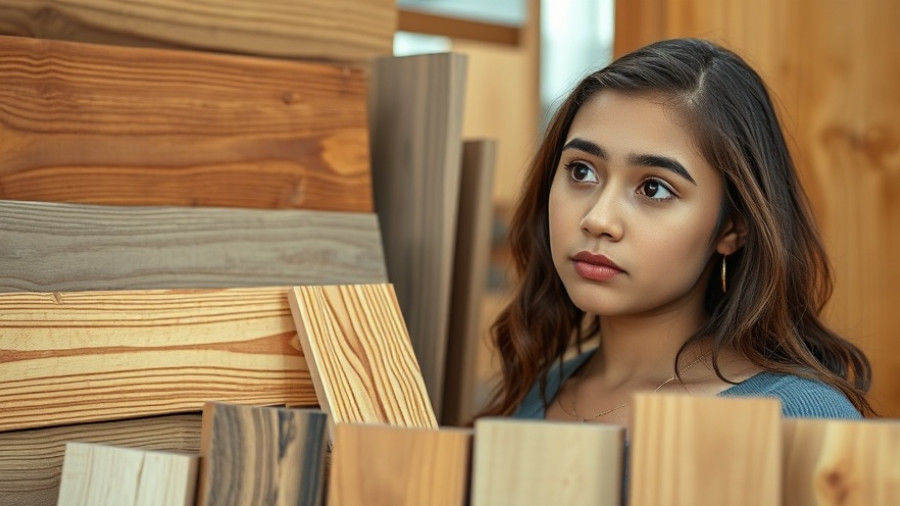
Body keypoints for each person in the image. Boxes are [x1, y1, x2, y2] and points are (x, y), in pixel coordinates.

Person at [479, 37, 873, 427]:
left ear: (733, 227)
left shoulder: (801, 417)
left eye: (654, 188)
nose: (598, 219)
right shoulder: (533, 396)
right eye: (582, 171)